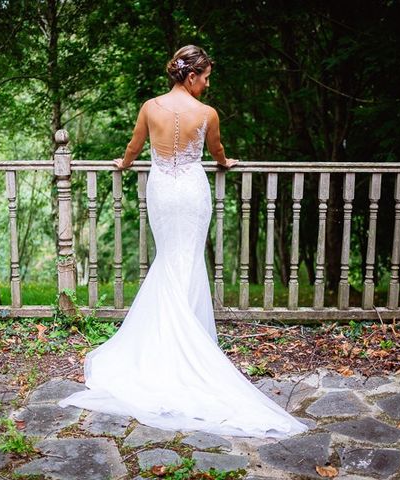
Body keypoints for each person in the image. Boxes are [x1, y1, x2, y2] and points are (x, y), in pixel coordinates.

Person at [58, 45, 307, 438]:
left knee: (168, 260)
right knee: (188, 261)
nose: (207, 84)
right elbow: (217, 151)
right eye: (205, 76)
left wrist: (122, 165)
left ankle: (167, 347)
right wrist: (225, 164)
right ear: (190, 76)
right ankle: (189, 345)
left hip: (161, 191)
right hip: (191, 192)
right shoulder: (206, 114)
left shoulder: (149, 106)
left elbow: (133, 148)